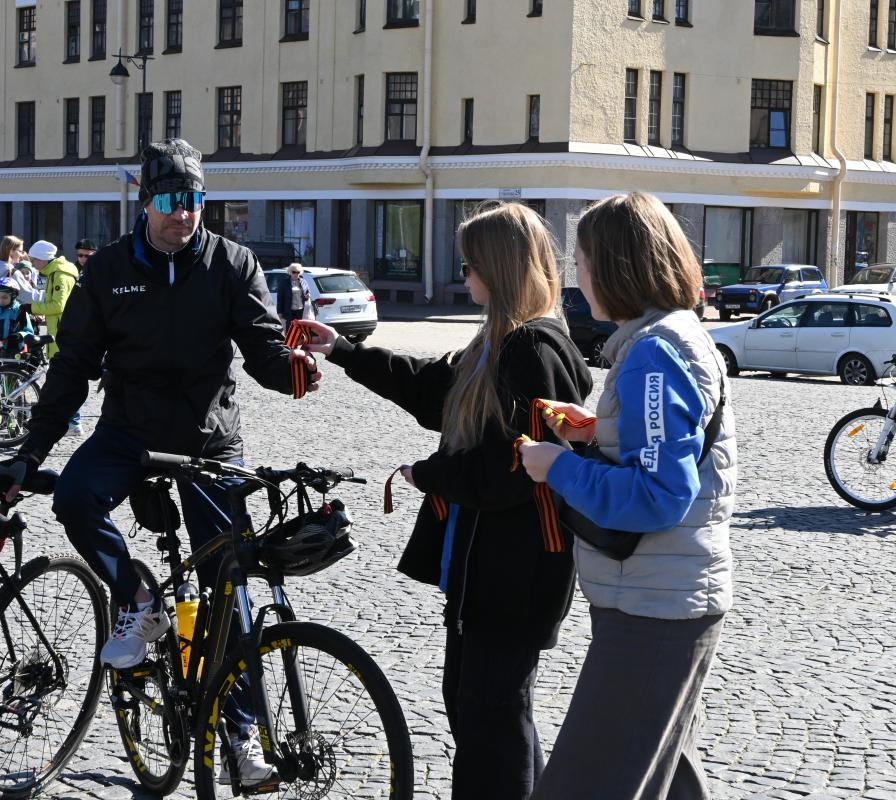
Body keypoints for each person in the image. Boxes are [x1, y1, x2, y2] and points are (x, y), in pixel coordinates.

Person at [0, 137, 320, 787]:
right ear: (145, 203)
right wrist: (32, 452)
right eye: (170, 200)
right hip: (130, 434)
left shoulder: (233, 264)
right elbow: (74, 367)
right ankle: (139, 598)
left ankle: (243, 737)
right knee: (74, 496)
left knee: (230, 581)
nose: (184, 213)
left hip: (209, 439)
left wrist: (298, 372)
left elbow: (263, 355)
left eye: (195, 200)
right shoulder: (108, 269)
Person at [303, 202, 592, 799]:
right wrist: (347, 351)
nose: (462, 274)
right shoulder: (500, 341)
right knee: (482, 709)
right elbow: (432, 388)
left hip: (517, 570)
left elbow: (510, 469)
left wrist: (427, 473)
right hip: (489, 568)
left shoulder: (529, 350)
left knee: (490, 717)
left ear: (500, 267)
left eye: (469, 264)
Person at [518, 193, 735, 800]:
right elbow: (664, 453)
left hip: (655, 608)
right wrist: (594, 431)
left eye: (581, 259)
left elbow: (660, 494)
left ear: (615, 266)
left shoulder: (655, 356)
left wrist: (557, 466)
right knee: (663, 778)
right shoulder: (669, 340)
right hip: (664, 597)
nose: (575, 275)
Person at [0, 276, 36, 430]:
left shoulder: (20, 311)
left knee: (13, 385)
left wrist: (20, 335)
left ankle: (17, 420)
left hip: (14, 351)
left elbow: (28, 330)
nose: (1, 300)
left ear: (13, 296)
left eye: (5, 297)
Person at [24, 240, 78, 361]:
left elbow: (58, 306)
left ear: (42, 259)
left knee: (61, 371)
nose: (32, 264)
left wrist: (32, 308)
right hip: (62, 329)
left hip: (62, 331)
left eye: (33, 260)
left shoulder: (59, 275)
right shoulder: (55, 272)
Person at [275, 262, 313, 330]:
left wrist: (307, 295)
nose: (296, 274)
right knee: (290, 329)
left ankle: (300, 340)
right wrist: (279, 312)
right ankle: (290, 340)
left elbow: (307, 292)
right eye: (294, 272)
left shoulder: (303, 282)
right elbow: (280, 298)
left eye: (298, 272)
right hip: (289, 310)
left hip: (301, 310)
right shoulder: (284, 283)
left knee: (300, 328)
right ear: (290, 272)